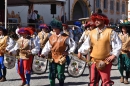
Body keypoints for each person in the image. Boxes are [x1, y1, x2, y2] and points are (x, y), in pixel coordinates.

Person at [78, 12, 122, 86]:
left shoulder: (110, 32)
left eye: (98, 19)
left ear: (103, 20)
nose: (96, 21)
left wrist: (113, 55)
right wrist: (80, 52)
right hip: (93, 61)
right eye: (95, 19)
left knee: (106, 82)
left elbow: (118, 45)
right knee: (93, 82)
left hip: (105, 61)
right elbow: (86, 44)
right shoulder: (91, 33)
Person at [40, 19, 76, 86]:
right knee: (51, 74)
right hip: (52, 57)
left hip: (61, 57)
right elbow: (47, 47)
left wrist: (68, 52)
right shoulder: (51, 37)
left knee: (60, 74)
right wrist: (43, 53)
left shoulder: (65, 37)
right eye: (53, 27)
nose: (53, 28)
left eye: (54, 27)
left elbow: (73, 45)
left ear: (58, 28)